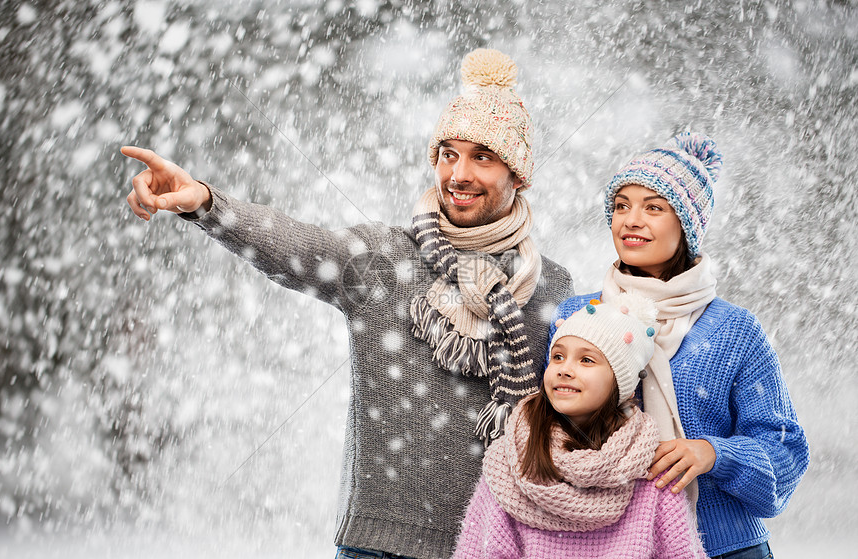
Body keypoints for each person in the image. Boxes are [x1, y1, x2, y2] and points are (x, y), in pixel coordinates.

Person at [122, 48, 573, 559]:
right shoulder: (385, 257)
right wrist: (206, 202)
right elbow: (295, 245)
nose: (458, 173)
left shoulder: (553, 288)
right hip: (374, 547)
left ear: (519, 175)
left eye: (483, 157)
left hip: (496, 546)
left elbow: (587, 410)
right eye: (448, 153)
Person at [549, 132, 809, 558]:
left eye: (654, 207)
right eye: (621, 206)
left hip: (723, 547)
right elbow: (548, 432)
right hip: (606, 544)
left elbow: (786, 453)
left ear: (687, 227)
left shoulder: (735, 330)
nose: (631, 220)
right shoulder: (579, 317)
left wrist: (713, 453)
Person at [453, 293, 707, 558]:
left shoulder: (652, 470)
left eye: (586, 360)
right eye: (558, 357)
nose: (564, 369)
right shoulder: (510, 461)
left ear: (621, 383)